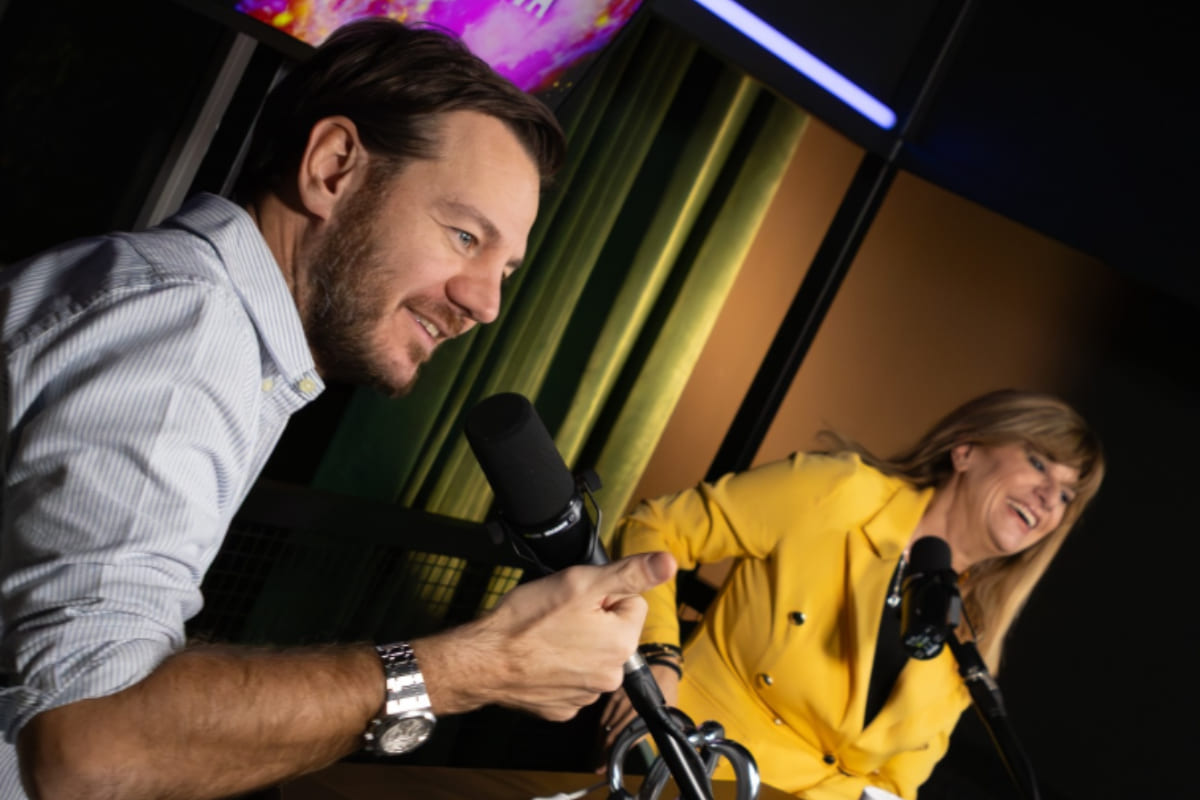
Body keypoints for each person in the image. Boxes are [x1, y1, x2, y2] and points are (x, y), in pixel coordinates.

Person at [0, 18, 675, 800]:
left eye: (506, 269)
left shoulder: (209, 327)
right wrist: (483, 665)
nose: (486, 304)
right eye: (464, 236)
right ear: (332, 168)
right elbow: (88, 752)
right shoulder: (189, 336)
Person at [599, 389, 1104, 799]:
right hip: (683, 770)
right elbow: (657, 527)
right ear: (966, 450)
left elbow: (895, 784)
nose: (1048, 498)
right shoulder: (839, 492)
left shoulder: (972, 640)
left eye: (1065, 495)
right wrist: (656, 660)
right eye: (1039, 464)